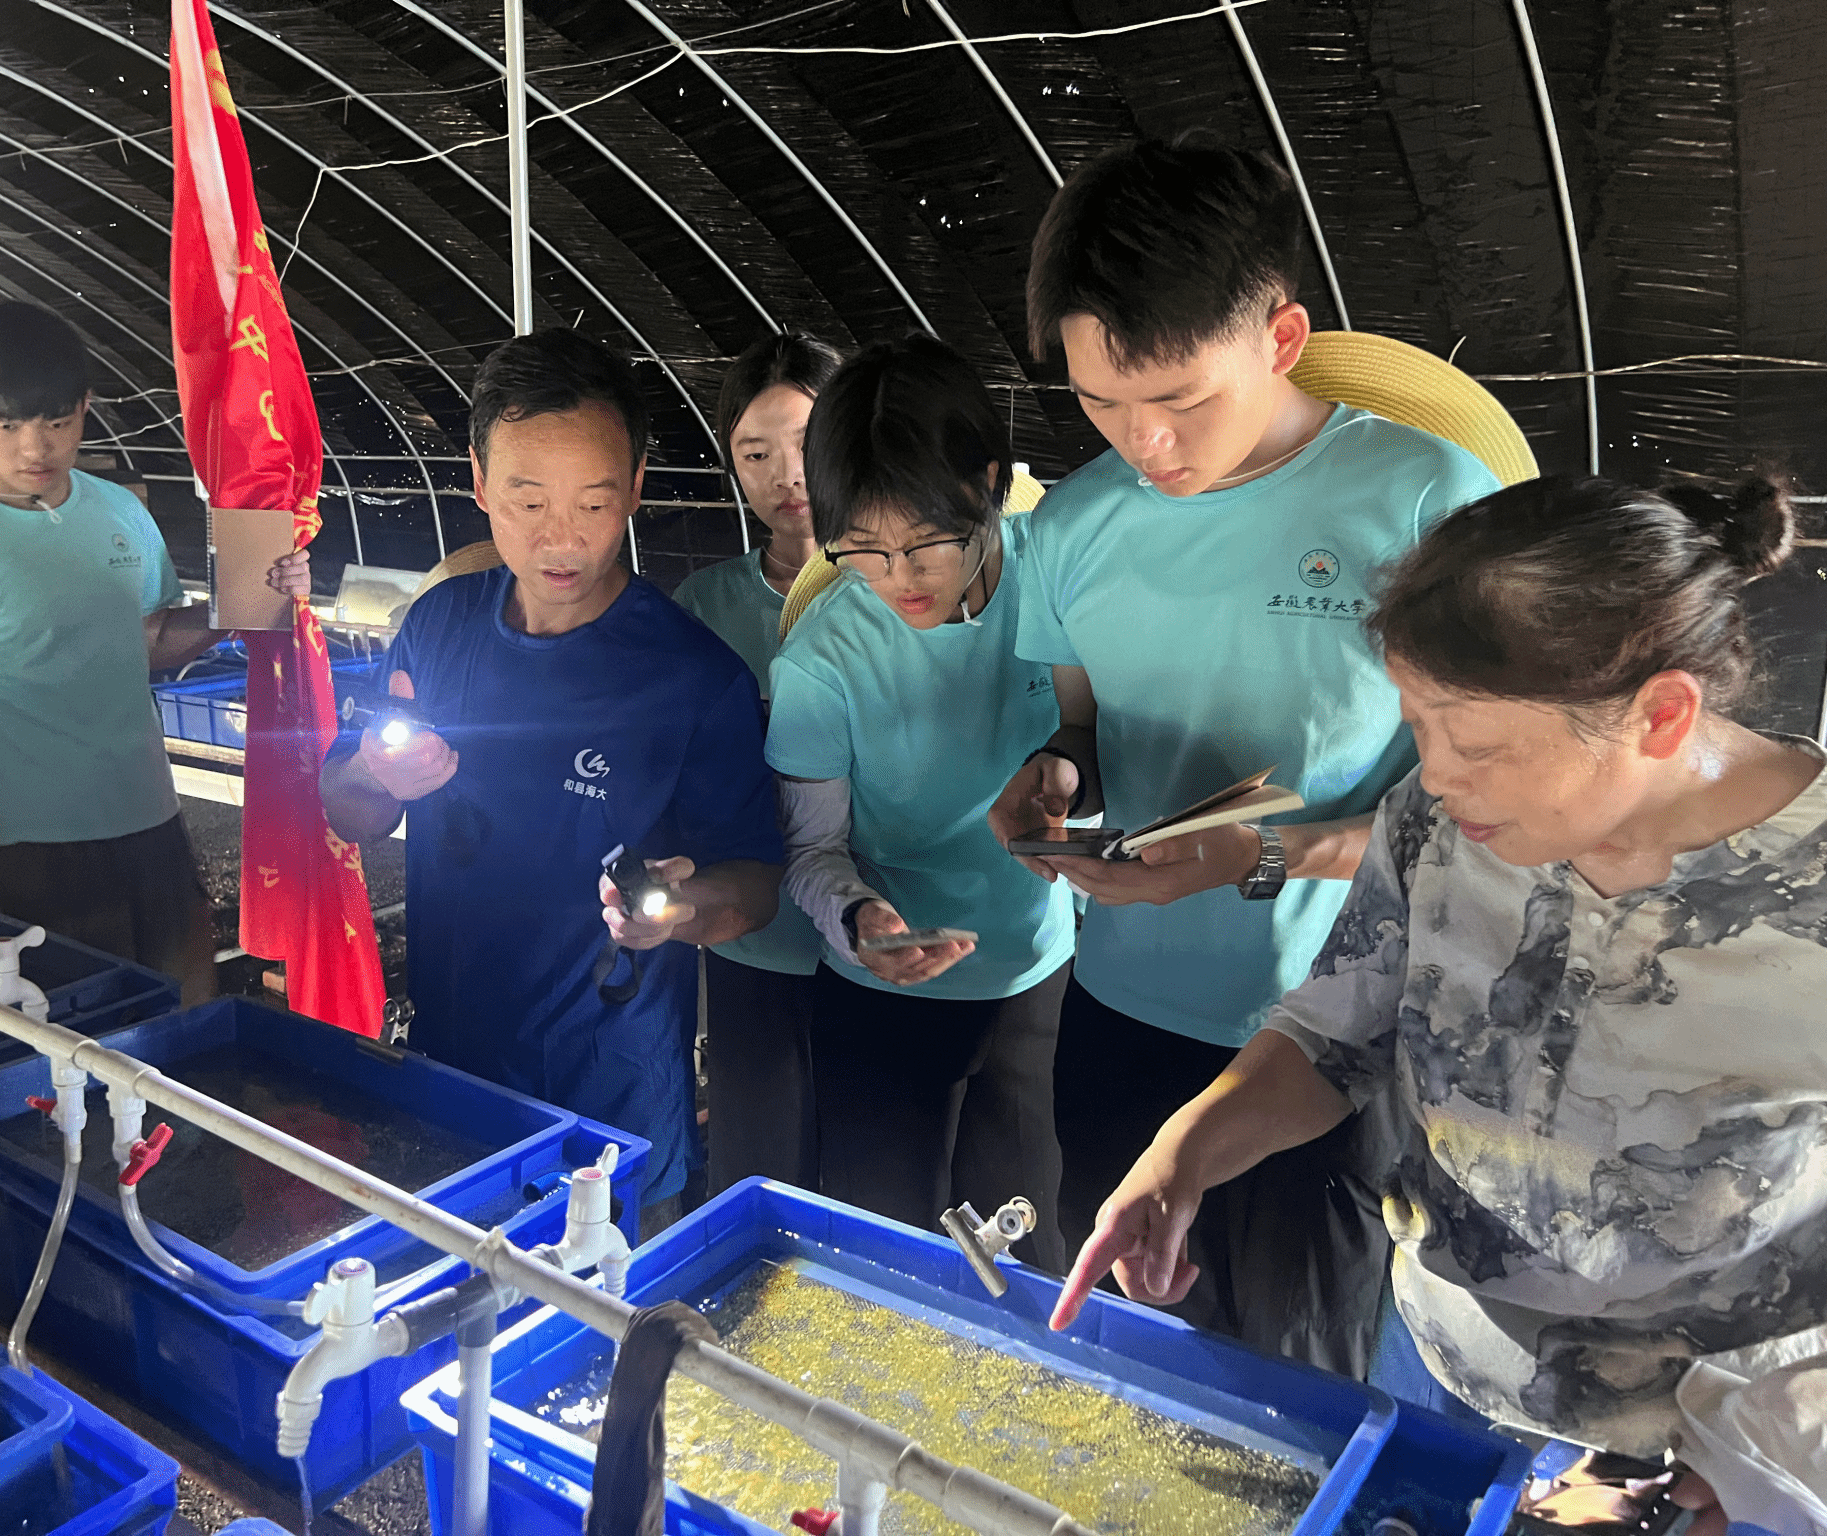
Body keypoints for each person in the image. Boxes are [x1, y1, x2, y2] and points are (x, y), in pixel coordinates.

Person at [1053, 473, 1825, 1524]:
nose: (1438, 776)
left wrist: (1756, 1464)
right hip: (1433, 1357)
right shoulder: (1438, 819)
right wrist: (1185, 1152)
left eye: (1480, 745)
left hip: (1703, 1440)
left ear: (1660, 714)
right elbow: (1339, 1029)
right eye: (1418, 725)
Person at [986, 138, 1501, 1360]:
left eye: (1178, 402)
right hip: (1119, 1011)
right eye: (1099, 403)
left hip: (1328, 1040)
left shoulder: (1426, 506)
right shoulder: (1072, 526)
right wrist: (1053, 782)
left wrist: (1255, 856)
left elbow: (1482, 817)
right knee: (1118, 1351)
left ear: (1280, 338)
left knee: (1296, 1375)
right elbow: (1081, 727)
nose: (1142, 444)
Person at [318, 328, 784, 1233]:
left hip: (612, 1100)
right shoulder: (438, 628)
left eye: (594, 503)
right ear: (479, 481)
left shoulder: (692, 676)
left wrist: (683, 911)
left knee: (607, 1307)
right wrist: (378, 772)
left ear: (637, 487)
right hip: (452, 1079)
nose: (561, 537)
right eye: (527, 501)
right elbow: (349, 808)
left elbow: (756, 882)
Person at [0, 302, 308, 1001]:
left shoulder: (118, 509)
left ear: (85, 407)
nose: (35, 448)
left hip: (152, 817)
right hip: (32, 843)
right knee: (77, 1026)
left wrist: (256, 595)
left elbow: (149, 643)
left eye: (58, 422)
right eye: (7, 425)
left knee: (186, 1006)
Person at [767, 336, 1072, 1272]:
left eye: (927, 542)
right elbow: (811, 851)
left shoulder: (1061, 579)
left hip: (1036, 976)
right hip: (884, 997)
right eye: (861, 548)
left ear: (989, 484)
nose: (899, 577)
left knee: (1028, 1255)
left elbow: (1115, 740)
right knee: (886, 1261)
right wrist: (862, 919)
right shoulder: (823, 659)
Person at [672, 331, 842, 1195]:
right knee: (760, 1175)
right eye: (756, 453)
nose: (788, 476)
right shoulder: (703, 607)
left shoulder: (907, 593)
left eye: (808, 443)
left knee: (868, 1181)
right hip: (753, 944)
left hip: (874, 946)